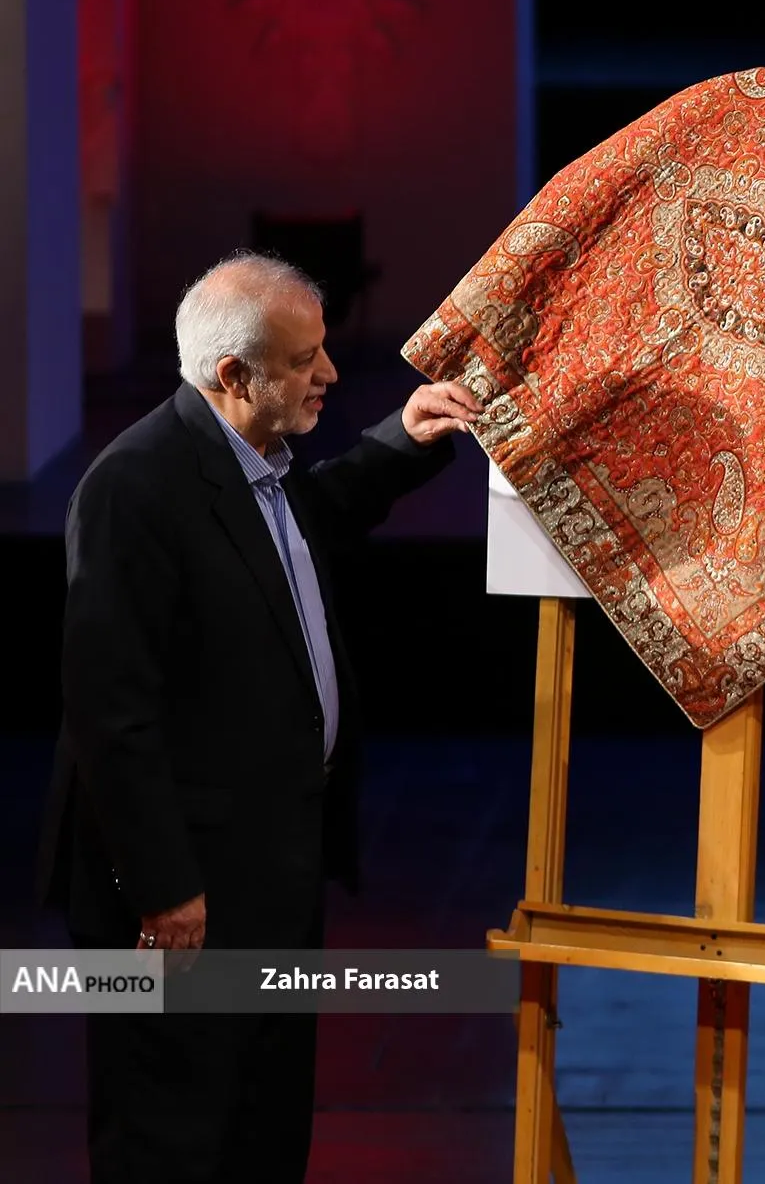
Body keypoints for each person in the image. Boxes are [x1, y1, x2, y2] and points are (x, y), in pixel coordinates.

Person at [33, 252, 479, 1183]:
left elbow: (308, 519)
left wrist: (402, 435)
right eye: (305, 360)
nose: (330, 373)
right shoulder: (132, 488)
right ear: (234, 375)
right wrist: (164, 889)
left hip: (269, 871)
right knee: (170, 1138)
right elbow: (112, 712)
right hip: (178, 899)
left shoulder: (256, 465)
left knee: (263, 1129)